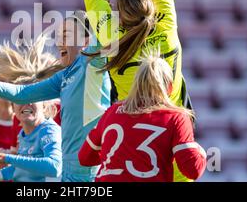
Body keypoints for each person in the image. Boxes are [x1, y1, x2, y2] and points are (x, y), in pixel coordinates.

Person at [0, 12, 111, 182]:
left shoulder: (92, 64)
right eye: (59, 35)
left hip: (90, 172)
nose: (60, 41)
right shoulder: (63, 77)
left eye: (66, 35)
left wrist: (100, 3)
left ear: (85, 42)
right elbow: (22, 94)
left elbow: (106, 31)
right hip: (70, 174)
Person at [78, 49, 206, 182]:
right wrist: (200, 153)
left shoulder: (112, 112)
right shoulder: (176, 117)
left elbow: (85, 158)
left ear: (136, 84)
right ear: (169, 87)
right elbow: (193, 170)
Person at [0, 102, 62, 182]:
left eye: (33, 97)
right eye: (20, 99)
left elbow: (54, 167)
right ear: (13, 107)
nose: (27, 103)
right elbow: (22, 167)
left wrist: (5, 158)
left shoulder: (49, 130)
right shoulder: (23, 133)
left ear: (44, 106)